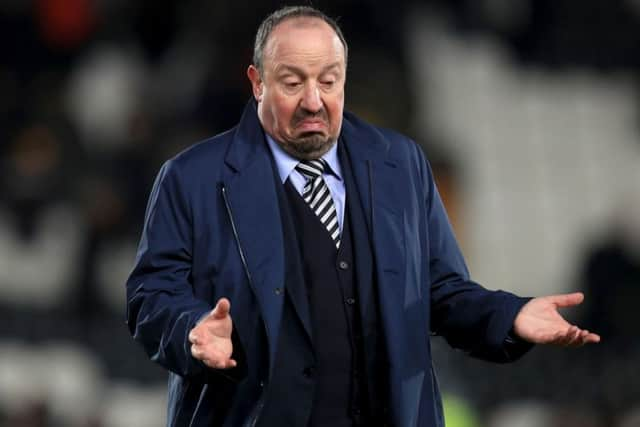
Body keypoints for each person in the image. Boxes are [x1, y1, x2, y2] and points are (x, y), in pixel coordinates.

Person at [125, 6, 600, 427]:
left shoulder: (400, 164)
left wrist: (510, 314)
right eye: (293, 83)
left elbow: (440, 290)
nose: (314, 100)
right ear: (257, 83)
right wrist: (190, 330)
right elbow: (151, 295)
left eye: (328, 81)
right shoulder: (192, 177)